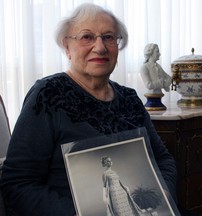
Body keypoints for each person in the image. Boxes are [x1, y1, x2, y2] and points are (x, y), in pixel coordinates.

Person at [0, 3, 177, 216]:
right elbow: (18, 182)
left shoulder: (130, 98)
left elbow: (163, 159)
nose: (100, 47)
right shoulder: (47, 95)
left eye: (109, 37)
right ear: (67, 46)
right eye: (86, 37)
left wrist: (162, 192)